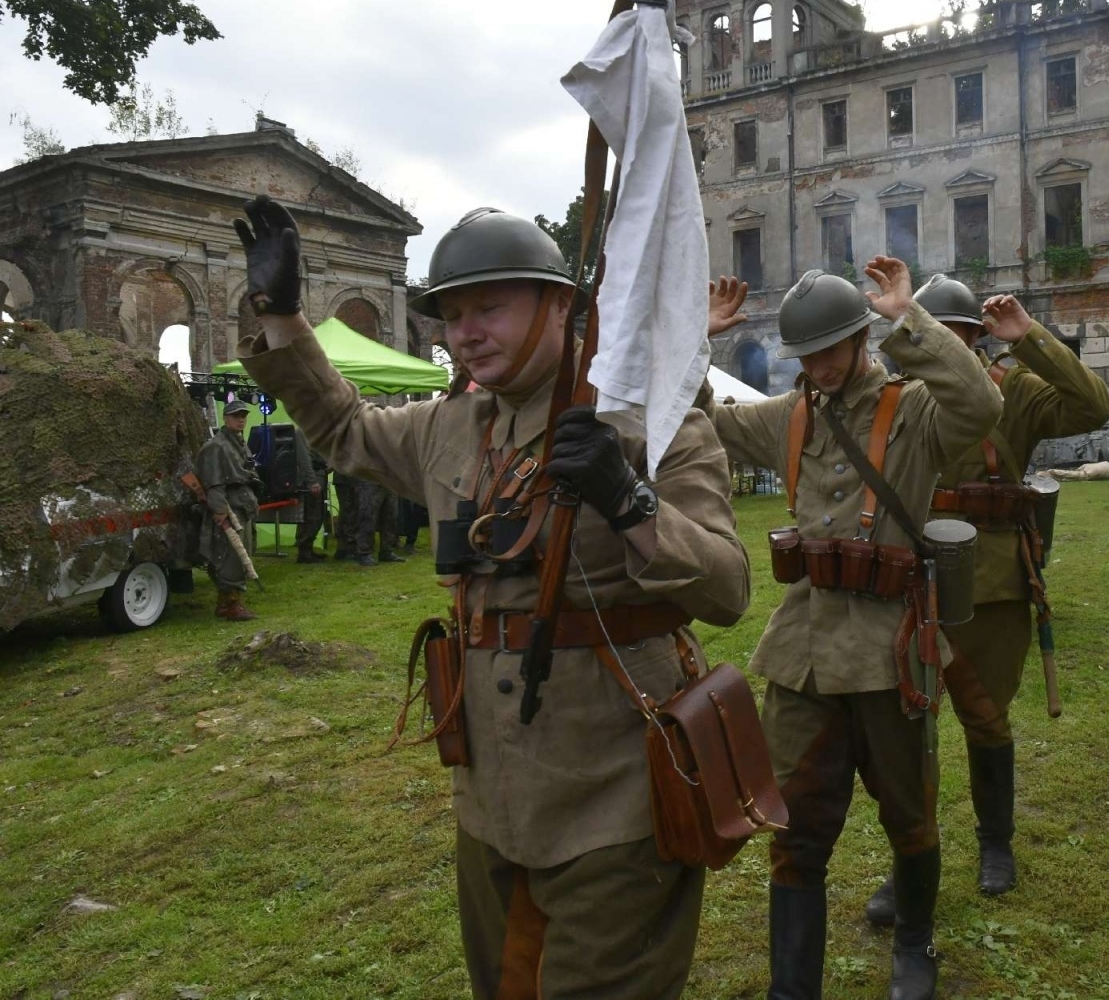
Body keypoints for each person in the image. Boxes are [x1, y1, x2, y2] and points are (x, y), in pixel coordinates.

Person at [233, 198, 751, 998]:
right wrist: (284, 319)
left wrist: (628, 499)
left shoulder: (651, 418)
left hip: (618, 792)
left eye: (489, 307)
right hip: (491, 795)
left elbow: (725, 587)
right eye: (450, 314)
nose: (464, 331)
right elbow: (343, 431)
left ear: (559, 306)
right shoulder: (451, 425)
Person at [707, 261, 1003, 1000]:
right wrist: (700, 342)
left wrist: (911, 320)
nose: (817, 367)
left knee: (909, 812)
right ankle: (792, 986)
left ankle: (914, 944)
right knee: (796, 825)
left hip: (889, 648)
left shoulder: (913, 409)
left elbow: (979, 405)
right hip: (803, 654)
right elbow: (702, 415)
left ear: (861, 339)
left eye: (830, 350)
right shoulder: (791, 414)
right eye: (805, 356)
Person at [863, 276, 1109, 924]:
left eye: (964, 336)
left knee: (985, 718)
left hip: (992, 582)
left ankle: (994, 844)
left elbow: (1094, 407)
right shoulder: (896, 401)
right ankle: (910, 862)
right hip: (908, 584)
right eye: (941, 335)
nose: (955, 346)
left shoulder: (1016, 392)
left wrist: (1029, 339)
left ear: (978, 338)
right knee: (908, 735)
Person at [197, 398, 261, 621]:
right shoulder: (216, 446)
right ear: (226, 418)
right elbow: (213, 482)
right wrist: (221, 511)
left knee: (242, 554)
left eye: (243, 415)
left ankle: (226, 603)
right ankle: (231, 604)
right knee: (231, 557)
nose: (241, 419)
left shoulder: (239, 442)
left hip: (242, 503)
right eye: (236, 416)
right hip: (229, 506)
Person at [294, 429, 329, 563]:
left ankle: (307, 549)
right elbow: (304, 459)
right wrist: (312, 481)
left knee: (318, 515)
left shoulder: (315, 430)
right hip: (312, 476)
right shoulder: (302, 432)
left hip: (319, 473)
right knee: (312, 515)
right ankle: (304, 551)